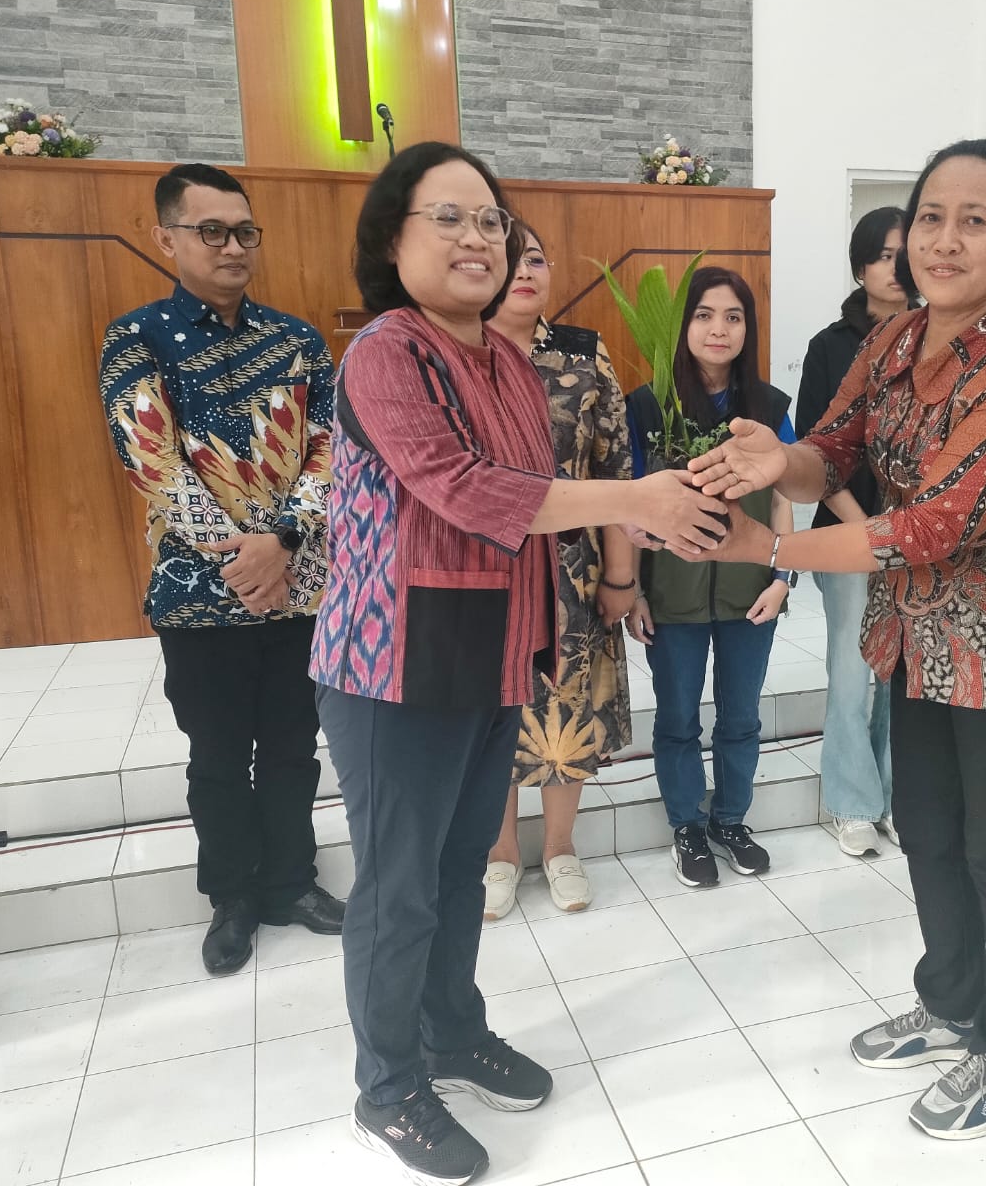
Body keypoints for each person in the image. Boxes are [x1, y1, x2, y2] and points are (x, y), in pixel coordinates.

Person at [310, 141, 726, 1186]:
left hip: (493, 651)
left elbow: (543, 501)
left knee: (461, 871)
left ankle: (452, 1034)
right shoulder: (385, 353)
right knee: (399, 889)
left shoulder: (506, 360)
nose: (477, 238)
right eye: (447, 217)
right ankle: (385, 1088)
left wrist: (643, 523)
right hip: (394, 663)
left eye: (490, 220)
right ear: (392, 239)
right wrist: (633, 498)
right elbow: (463, 487)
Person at [685, 139, 986, 1140]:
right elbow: (833, 450)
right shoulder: (895, 339)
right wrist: (774, 460)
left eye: (974, 221)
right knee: (930, 832)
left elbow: (930, 527)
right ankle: (951, 1005)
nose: (943, 241)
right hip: (921, 637)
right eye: (929, 218)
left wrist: (772, 546)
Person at [99, 163, 345, 975]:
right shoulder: (137, 339)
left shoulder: (299, 342)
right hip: (199, 596)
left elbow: (329, 450)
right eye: (211, 231)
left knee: (293, 747)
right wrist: (247, 560)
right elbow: (154, 465)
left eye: (244, 231)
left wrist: (284, 540)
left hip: (298, 586)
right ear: (166, 238)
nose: (232, 246)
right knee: (217, 754)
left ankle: (292, 882)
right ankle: (232, 897)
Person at [483, 220, 637, 919]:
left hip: (573, 569)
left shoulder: (582, 351)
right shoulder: (457, 351)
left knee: (565, 700)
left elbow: (617, 468)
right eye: (512, 259)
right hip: (485, 566)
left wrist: (621, 577)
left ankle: (560, 847)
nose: (526, 271)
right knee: (491, 707)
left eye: (538, 259)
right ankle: (499, 852)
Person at [623, 267, 796, 888]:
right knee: (677, 718)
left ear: (749, 329)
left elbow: (785, 495)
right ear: (681, 326)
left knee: (741, 716)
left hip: (751, 590)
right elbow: (628, 504)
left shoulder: (769, 407)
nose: (718, 329)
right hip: (672, 593)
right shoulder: (648, 406)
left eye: (733, 316)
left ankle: (730, 820)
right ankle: (686, 826)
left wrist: (783, 575)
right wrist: (634, 590)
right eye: (703, 315)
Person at [794, 206, 911, 857]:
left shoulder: (942, 337)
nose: (898, 266)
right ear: (861, 265)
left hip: (920, 535)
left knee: (904, 672)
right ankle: (851, 802)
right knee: (852, 667)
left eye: (906, 252)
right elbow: (815, 452)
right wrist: (868, 530)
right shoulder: (831, 346)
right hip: (847, 532)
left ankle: (893, 795)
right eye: (884, 254)